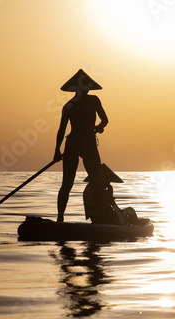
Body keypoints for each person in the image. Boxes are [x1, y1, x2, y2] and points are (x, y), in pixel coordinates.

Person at [54, 69, 108, 223]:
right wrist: (57, 150)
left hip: (78, 143)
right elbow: (105, 121)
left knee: (75, 184)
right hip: (84, 143)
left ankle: (61, 219)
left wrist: (57, 149)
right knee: (89, 183)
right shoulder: (87, 102)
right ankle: (60, 219)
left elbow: (104, 120)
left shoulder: (71, 105)